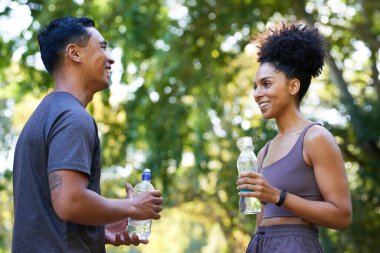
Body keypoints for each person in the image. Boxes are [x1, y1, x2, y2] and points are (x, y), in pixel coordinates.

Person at [12, 16, 163, 252]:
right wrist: (134, 207)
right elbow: (70, 201)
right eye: (102, 47)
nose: (110, 58)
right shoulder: (72, 117)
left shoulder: (43, 115)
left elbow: (52, 214)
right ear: (74, 53)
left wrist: (98, 230)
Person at [236, 22, 352, 253]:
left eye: (266, 84)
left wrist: (278, 196)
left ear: (293, 86)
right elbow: (261, 219)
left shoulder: (315, 138)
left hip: (296, 245)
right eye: (255, 87)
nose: (258, 94)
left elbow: (342, 216)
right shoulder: (263, 152)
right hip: (261, 244)